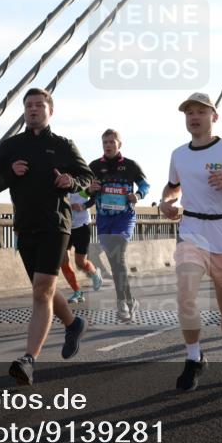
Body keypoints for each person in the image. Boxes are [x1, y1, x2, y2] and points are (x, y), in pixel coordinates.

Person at [0, 88, 92, 386]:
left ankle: (29, 359)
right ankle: (73, 323)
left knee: (42, 288)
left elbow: (88, 180)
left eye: (39, 105)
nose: (33, 109)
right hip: (25, 225)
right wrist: (10, 174)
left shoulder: (63, 146)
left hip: (56, 225)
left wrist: (72, 181)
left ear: (50, 111)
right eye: (29, 105)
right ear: (24, 111)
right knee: (41, 288)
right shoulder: (9, 147)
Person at [158, 92, 222, 391]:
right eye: (189, 112)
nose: (194, 117)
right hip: (191, 230)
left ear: (213, 117)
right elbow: (172, 188)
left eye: (201, 112)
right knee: (185, 294)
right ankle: (193, 358)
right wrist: (165, 202)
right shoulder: (178, 154)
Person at [88, 129, 149, 322]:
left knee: (118, 257)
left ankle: (121, 302)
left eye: (111, 142)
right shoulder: (95, 166)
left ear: (119, 144)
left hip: (124, 218)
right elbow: (86, 194)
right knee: (116, 262)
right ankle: (130, 300)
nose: (107, 145)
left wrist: (137, 195)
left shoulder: (130, 165)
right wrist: (89, 189)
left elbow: (145, 185)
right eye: (104, 142)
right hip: (104, 220)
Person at [60, 188, 104, 304]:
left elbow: (93, 196)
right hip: (65, 226)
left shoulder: (82, 181)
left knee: (80, 262)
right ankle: (77, 292)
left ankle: (94, 273)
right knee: (63, 260)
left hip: (82, 225)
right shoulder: (58, 181)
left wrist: (83, 206)